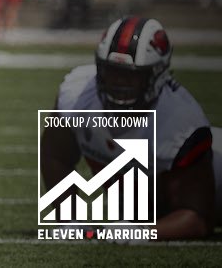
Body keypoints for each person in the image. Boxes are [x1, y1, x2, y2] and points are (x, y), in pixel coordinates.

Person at [41, 16, 222, 240]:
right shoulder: (77, 94)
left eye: (130, 75)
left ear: (158, 75)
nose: (119, 83)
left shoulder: (182, 123)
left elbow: (198, 219)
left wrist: (144, 232)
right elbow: (55, 155)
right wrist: (69, 219)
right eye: (113, 71)